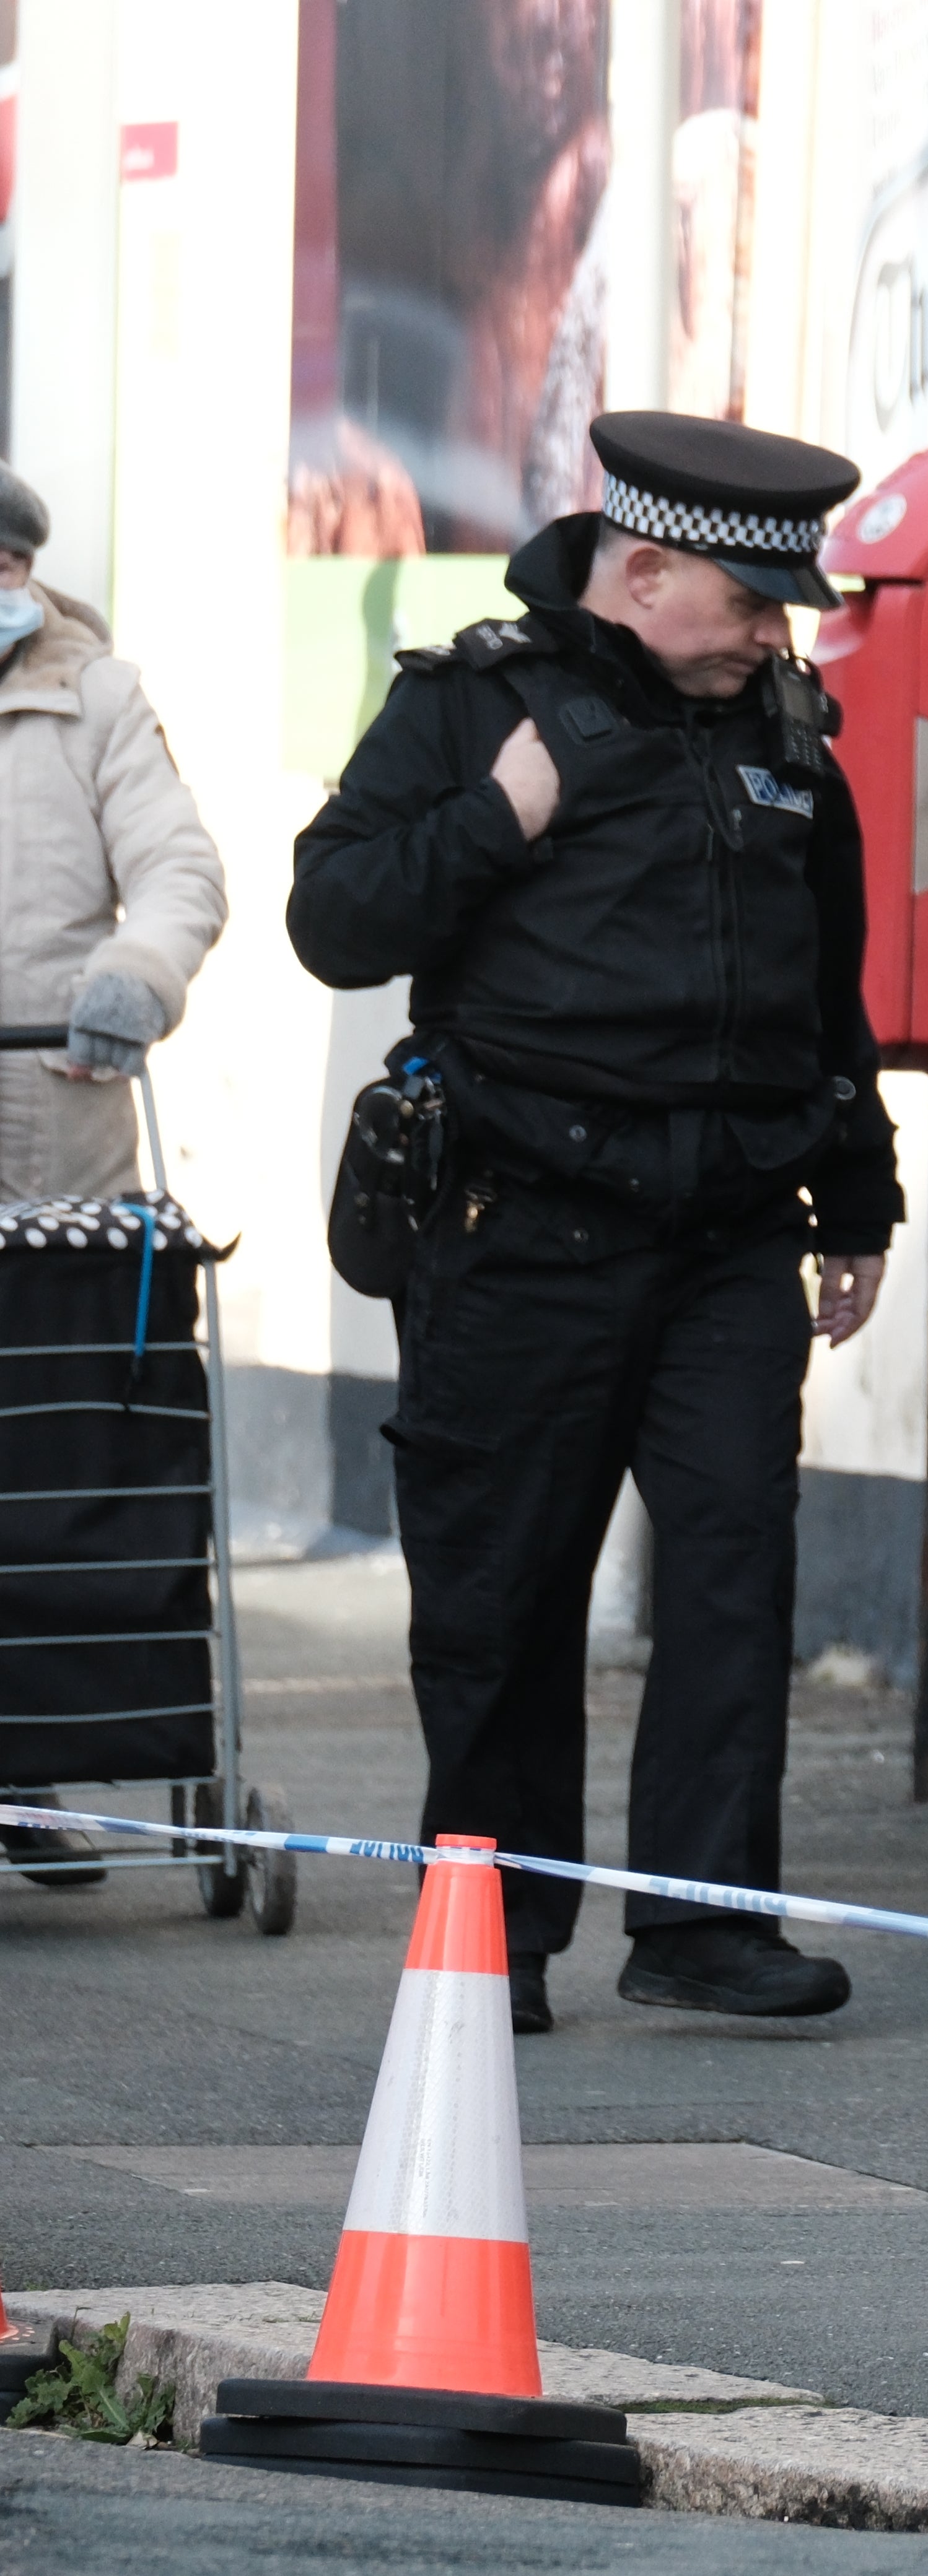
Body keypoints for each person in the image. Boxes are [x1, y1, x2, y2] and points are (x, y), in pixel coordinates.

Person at [289, 413, 899, 2036]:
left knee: (730, 1570)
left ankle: (704, 1922)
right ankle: (491, 1939)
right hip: (521, 1227)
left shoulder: (782, 731)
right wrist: (499, 817)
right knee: (504, 1595)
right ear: (641, 574)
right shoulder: (476, 706)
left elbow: (823, 995)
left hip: (727, 1241)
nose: (781, 628)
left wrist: (862, 1195)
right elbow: (333, 919)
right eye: (753, 596)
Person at [0, 456, 230, 1889]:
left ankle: (26, 1771)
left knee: (40, 1468)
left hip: (54, 1161)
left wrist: (135, 978)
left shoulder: (95, 699)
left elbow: (180, 873)